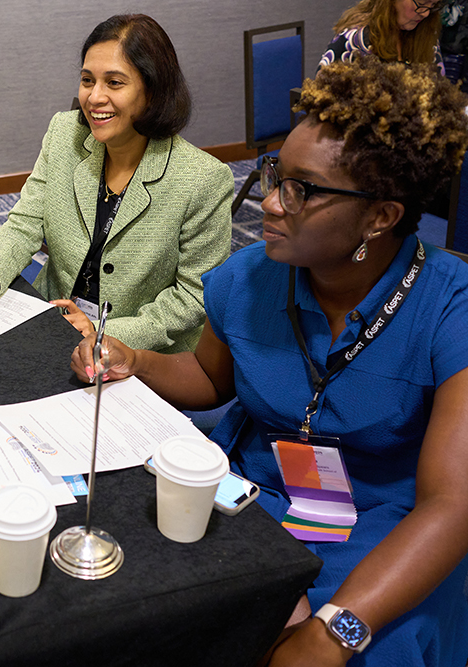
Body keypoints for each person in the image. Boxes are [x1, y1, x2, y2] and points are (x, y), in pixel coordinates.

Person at [74, 57, 468, 667]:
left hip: (384, 521)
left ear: (381, 216)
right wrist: (138, 360)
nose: (270, 205)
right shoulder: (248, 278)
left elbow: (453, 505)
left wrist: (336, 630)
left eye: (301, 190)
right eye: (273, 176)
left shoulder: (450, 307)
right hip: (258, 489)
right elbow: (210, 380)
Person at [0, 14, 232, 352]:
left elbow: (193, 297)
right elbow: (24, 224)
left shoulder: (203, 179)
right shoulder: (65, 134)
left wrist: (100, 330)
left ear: (152, 92)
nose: (94, 97)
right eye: (88, 80)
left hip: (141, 352)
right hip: (53, 321)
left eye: (114, 83)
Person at [321, 0, 446, 74]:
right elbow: (320, 103)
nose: (426, 13)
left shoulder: (426, 35)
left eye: (433, 4)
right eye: (422, 3)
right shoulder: (353, 42)